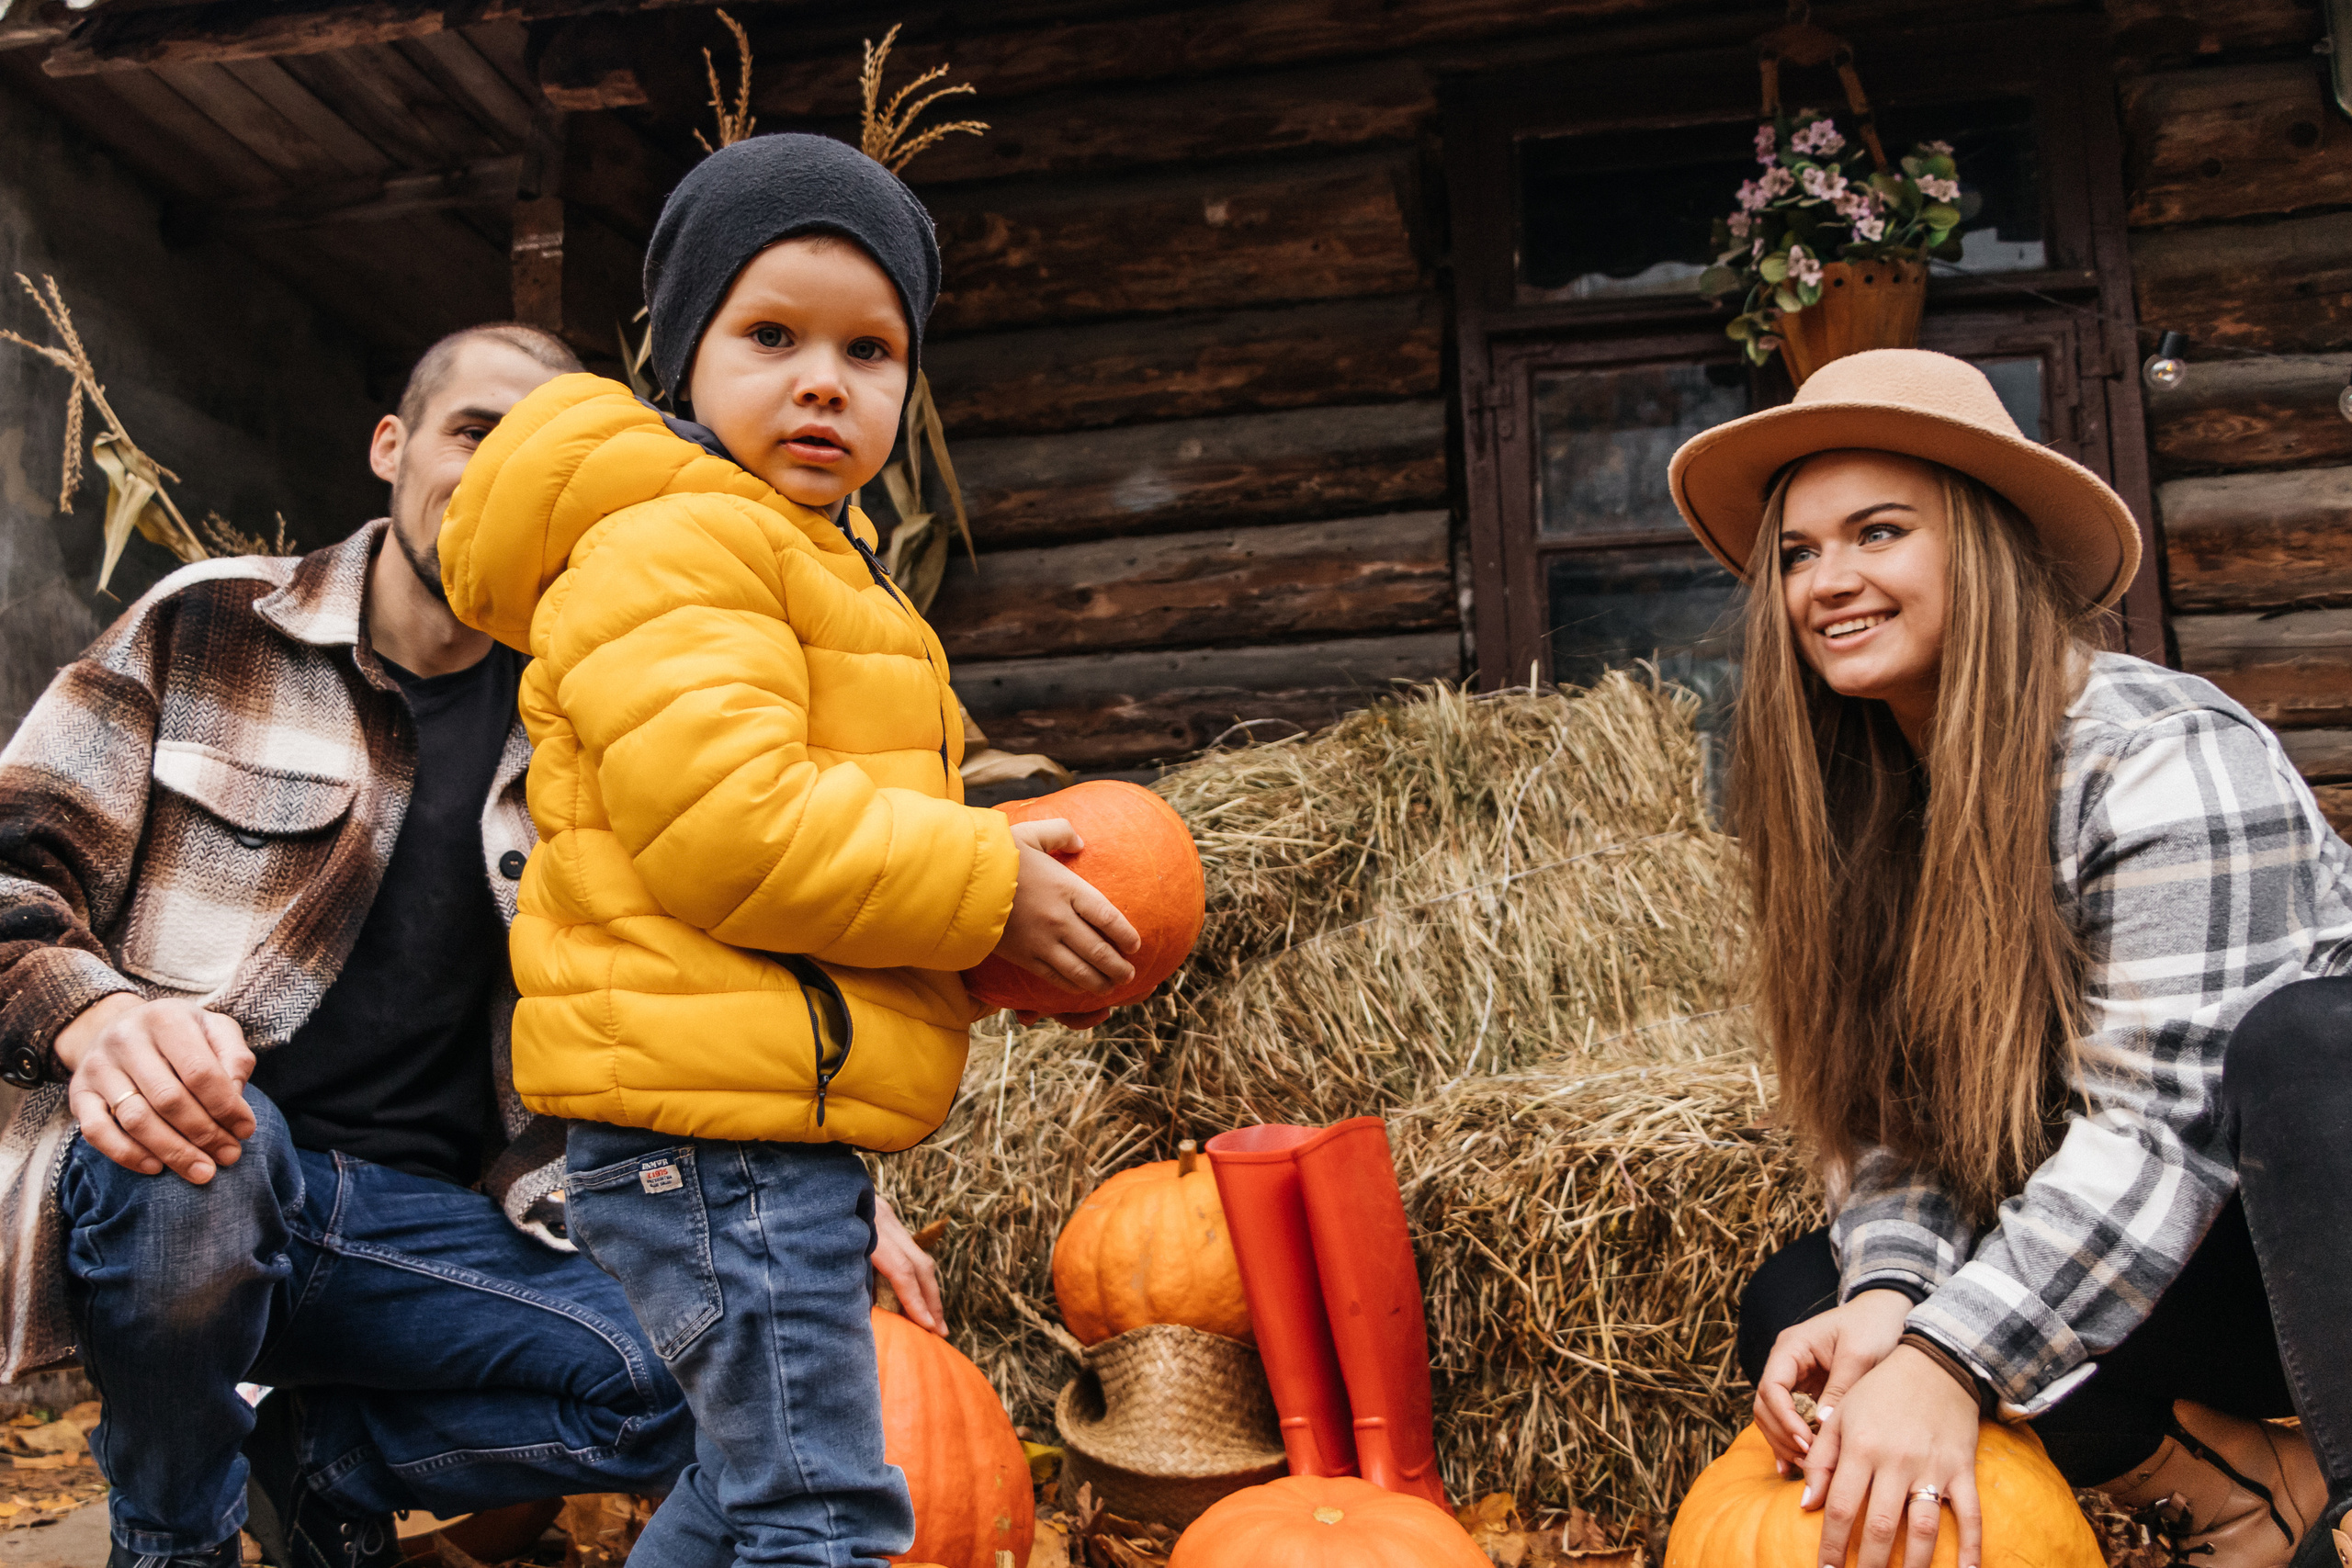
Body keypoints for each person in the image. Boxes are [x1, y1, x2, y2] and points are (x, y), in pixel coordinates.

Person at [437, 133, 1140, 1568]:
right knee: (819, 1513)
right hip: (716, 1145)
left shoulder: (807, 565)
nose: (825, 380)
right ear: (681, 356)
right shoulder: (677, 547)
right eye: (771, 336)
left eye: (870, 351)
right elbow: (733, 830)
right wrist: (980, 887)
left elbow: (810, 862)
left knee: (745, 1492)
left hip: (744, 1126)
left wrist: (984, 935)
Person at [0, 323, 708, 1568]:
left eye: (544, 457)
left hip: (422, 1236)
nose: (501, 477)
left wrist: (819, 1196)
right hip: (185, 1188)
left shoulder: (589, 725)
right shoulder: (210, 622)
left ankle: (316, 1465)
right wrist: (99, 1019)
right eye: (474, 433)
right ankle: (174, 1542)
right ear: (393, 447)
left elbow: (678, 1005)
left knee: (705, 1364)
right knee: (201, 1148)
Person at [1667, 348, 2352, 1568]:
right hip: (2177, 1259)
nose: (1829, 580)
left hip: (2304, 1244)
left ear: (1983, 547)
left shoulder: (2160, 755)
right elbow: (1905, 1125)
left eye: (1879, 531)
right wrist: (1888, 1302)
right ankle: (2250, 1500)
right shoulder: (1869, 810)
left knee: (2311, 1039)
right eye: (1798, 553)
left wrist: (1950, 1357)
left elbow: (2164, 1131)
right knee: (1807, 1307)